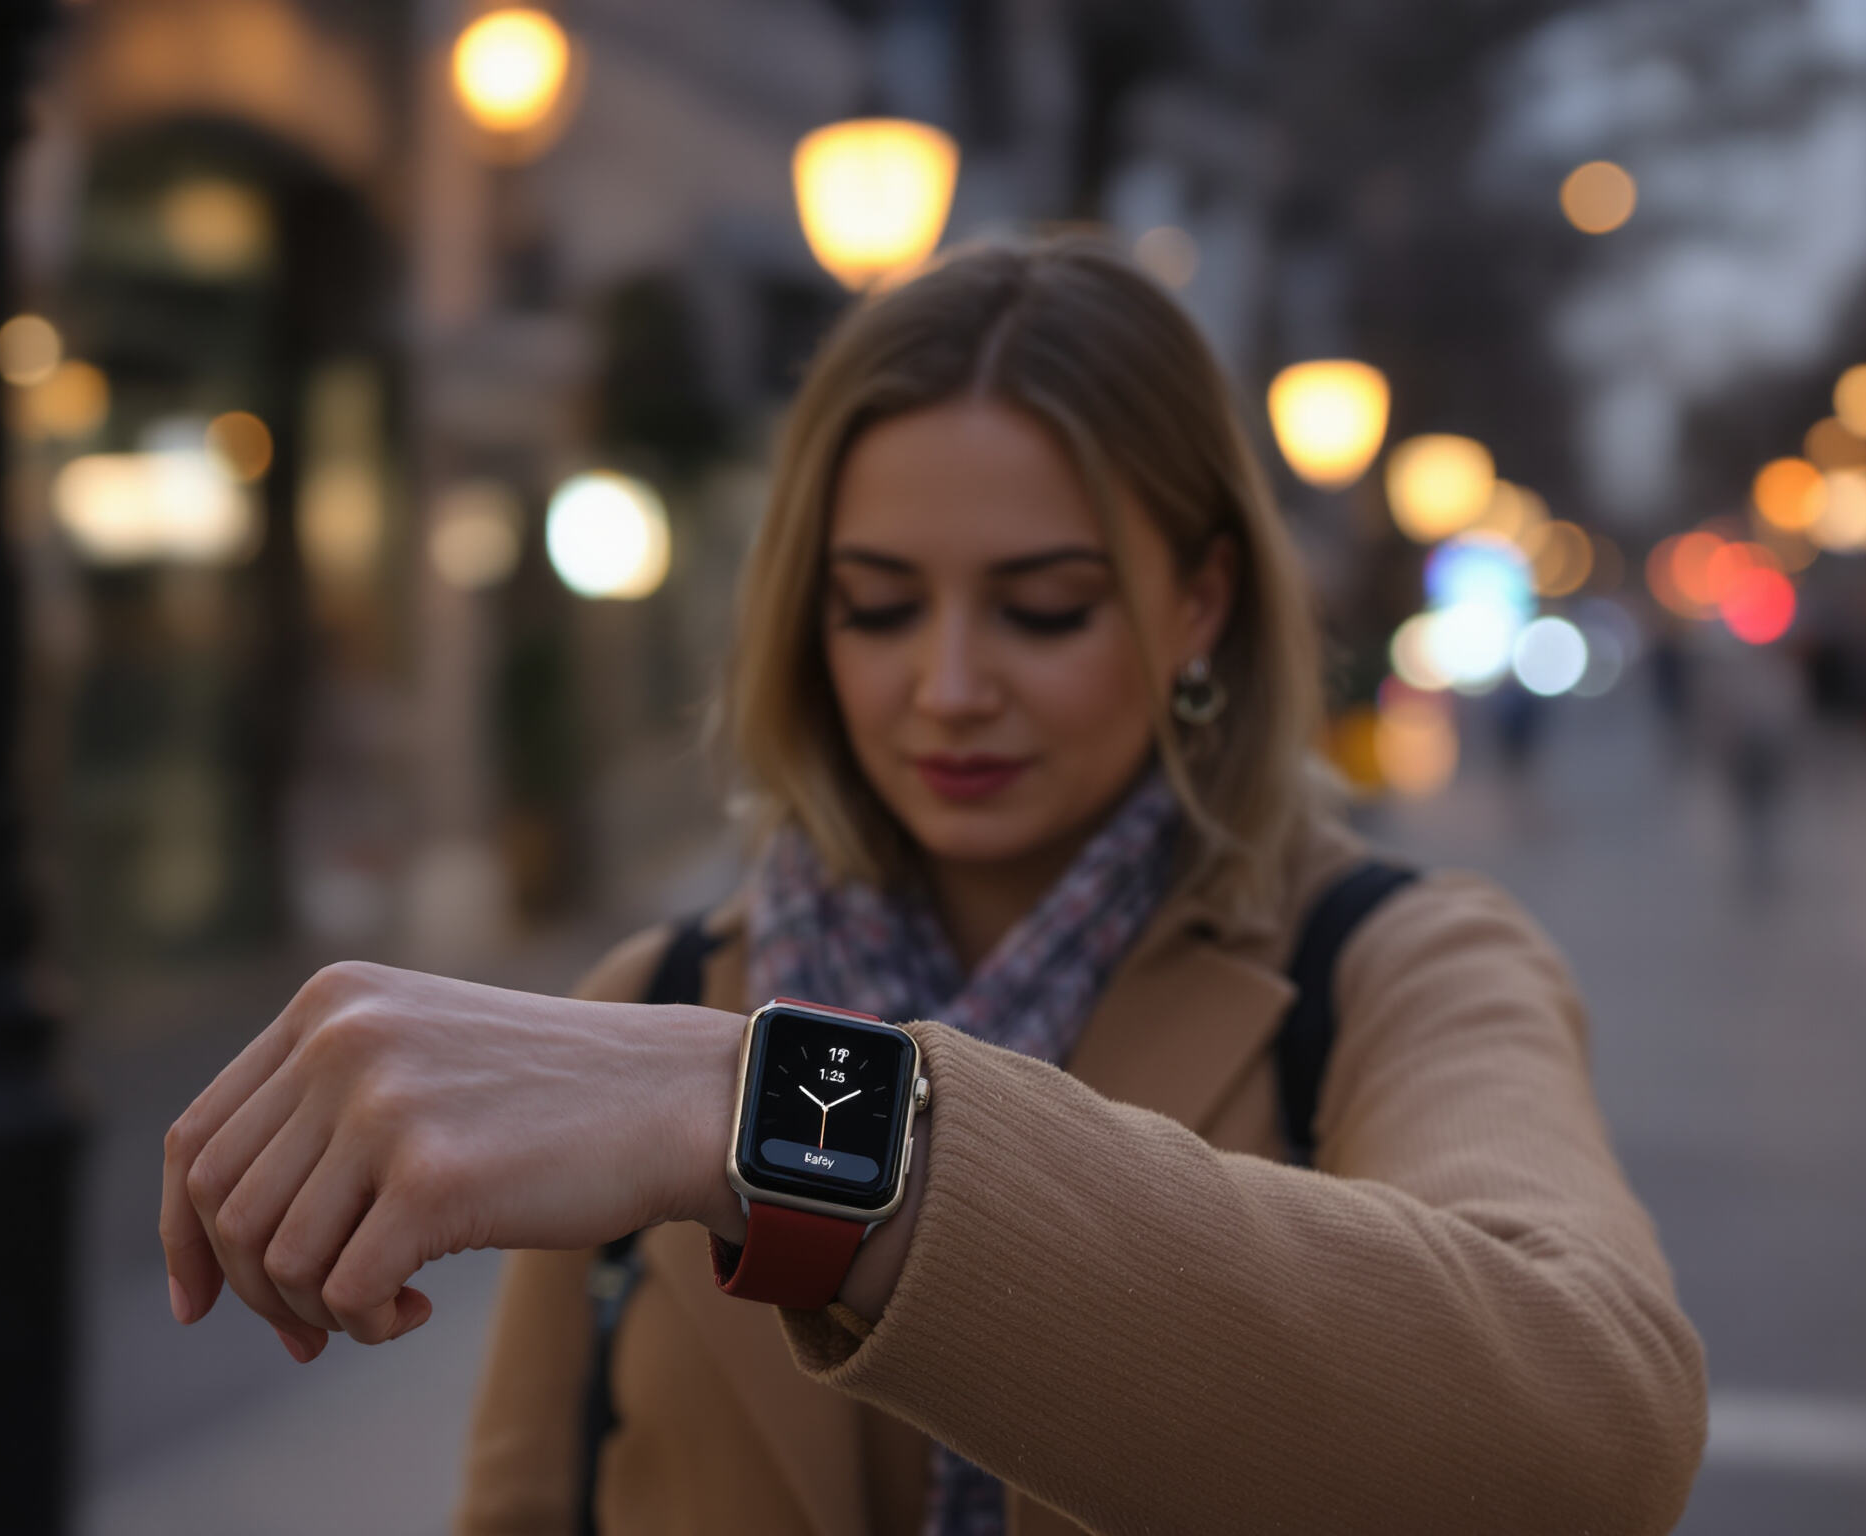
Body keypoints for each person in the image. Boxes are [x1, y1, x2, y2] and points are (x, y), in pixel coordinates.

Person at [159, 240, 1706, 1533]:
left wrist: (781, 1116)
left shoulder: (1391, 969)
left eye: (1042, 610)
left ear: (1200, 601)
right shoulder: (652, 999)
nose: (948, 687)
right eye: (880, 607)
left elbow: (1591, 1435)